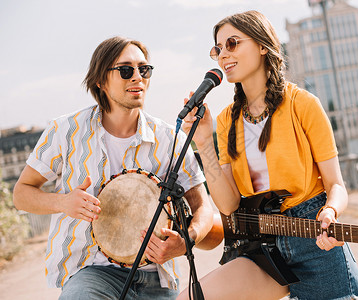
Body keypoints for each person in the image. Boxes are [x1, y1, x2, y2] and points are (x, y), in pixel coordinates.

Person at [179, 10, 358, 300]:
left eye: (232, 43)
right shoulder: (226, 120)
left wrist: (329, 213)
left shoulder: (302, 104)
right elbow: (228, 205)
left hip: (313, 239)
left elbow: (336, 186)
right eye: (217, 49)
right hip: (261, 246)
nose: (222, 55)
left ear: (262, 45)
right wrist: (204, 144)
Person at [13, 36, 213, 299]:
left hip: (157, 276)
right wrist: (63, 203)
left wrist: (188, 238)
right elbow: (22, 194)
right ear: (100, 80)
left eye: (144, 69)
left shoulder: (169, 138)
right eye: (126, 70)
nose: (138, 77)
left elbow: (204, 207)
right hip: (92, 273)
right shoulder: (65, 130)